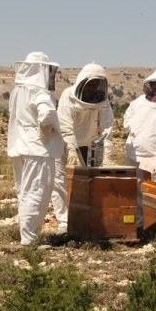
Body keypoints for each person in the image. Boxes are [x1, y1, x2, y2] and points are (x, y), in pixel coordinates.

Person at [7, 51, 63, 245]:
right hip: (38, 150)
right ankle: (29, 240)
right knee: (37, 192)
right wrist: (45, 132)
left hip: (20, 147)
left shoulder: (18, 91)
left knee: (25, 192)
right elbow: (46, 113)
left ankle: (28, 236)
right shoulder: (39, 91)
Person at [51, 62, 115, 231]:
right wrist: (72, 149)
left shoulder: (102, 101)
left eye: (97, 84)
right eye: (91, 83)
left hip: (89, 144)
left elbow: (107, 128)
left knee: (89, 182)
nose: (93, 88)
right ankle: (65, 222)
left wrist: (107, 155)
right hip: (64, 144)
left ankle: (86, 217)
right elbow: (65, 125)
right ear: (82, 82)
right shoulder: (68, 95)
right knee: (61, 181)